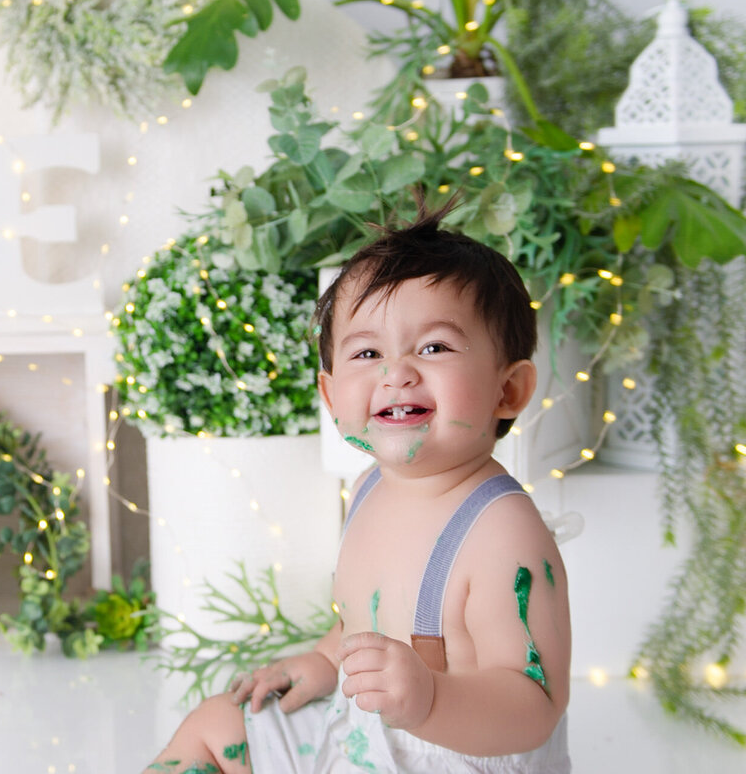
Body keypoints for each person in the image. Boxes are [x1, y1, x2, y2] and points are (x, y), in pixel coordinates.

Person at [142, 204, 571, 773]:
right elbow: (360, 624)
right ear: (329, 393)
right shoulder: (369, 487)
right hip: (360, 735)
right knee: (215, 728)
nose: (397, 372)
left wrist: (431, 699)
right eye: (367, 353)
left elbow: (534, 707)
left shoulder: (502, 534)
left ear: (508, 390)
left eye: (434, 347)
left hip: (454, 755)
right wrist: (325, 660)